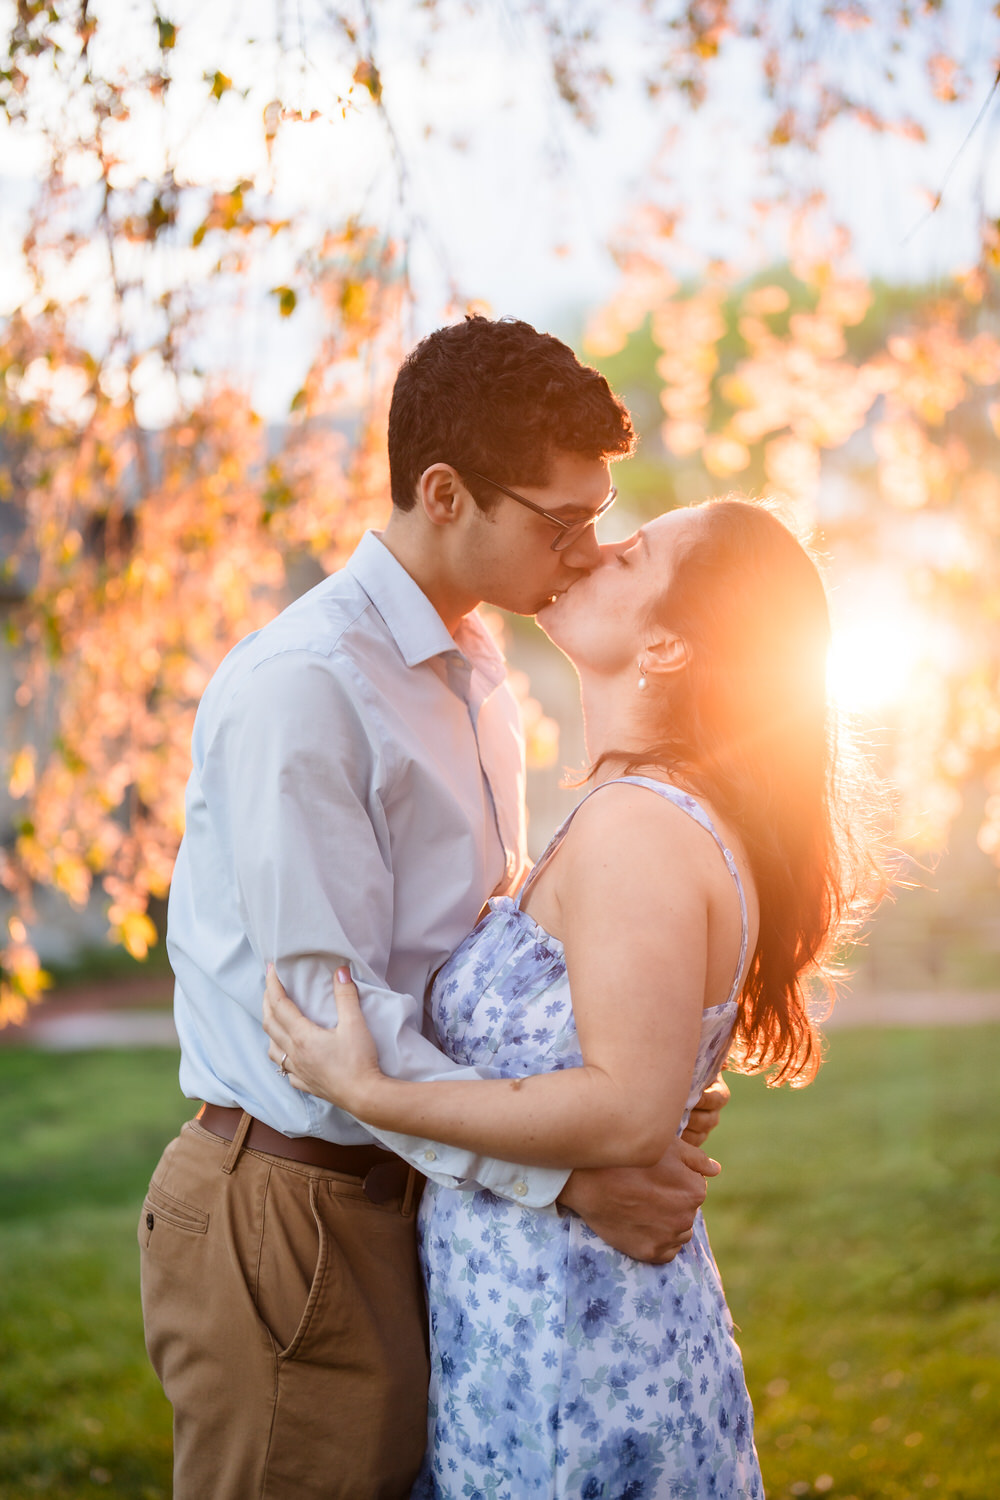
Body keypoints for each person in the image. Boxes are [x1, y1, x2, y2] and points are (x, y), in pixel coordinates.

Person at [138, 315, 730, 1500]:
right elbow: (332, 1033)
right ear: (446, 494)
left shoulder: (475, 666)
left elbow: (474, 948)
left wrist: (619, 1075)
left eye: (597, 519)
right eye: (560, 523)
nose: (585, 553)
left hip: (414, 1188)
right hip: (294, 1204)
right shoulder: (309, 688)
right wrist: (570, 1176)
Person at [262, 496, 883, 1498]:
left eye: (631, 554)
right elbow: (635, 1078)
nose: (593, 551)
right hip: (548, 1334)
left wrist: (371, 1090)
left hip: (577, 1362)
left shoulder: (641, 826)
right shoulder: (632, 812)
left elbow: (627, 1109)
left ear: (669, 647)